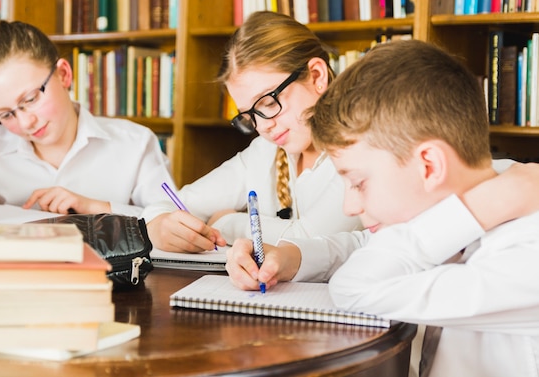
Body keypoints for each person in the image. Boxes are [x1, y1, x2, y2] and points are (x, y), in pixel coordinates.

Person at [226, 39, 539, 377]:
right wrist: (291, 258)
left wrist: (480, 208)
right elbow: (370, 244)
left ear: (430, 166)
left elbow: (356, 286)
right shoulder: (496, 182)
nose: (349, 206)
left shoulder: (524, 253)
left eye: (358, 183)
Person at [142, 11, 361, 253]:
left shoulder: (362, 148)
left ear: (317, 76)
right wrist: (159, 225)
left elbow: (308, 242)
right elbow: (171, 202)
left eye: (267, 103)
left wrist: (224, 222)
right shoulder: (265, 151)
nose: (263, 126)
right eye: (249, 116)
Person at [0, 20, 174, 221]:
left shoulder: (135, 143)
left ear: (63, 74)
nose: (26, 122)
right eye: (5, 114)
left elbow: (175, 213)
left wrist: (96, 207)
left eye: (30, 99)